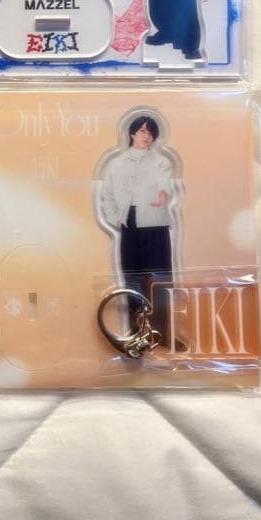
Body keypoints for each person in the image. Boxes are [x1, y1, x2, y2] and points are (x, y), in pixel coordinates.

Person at [98, 114, 180, 350]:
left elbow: (165, 184)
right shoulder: (117, 163)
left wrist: (162, 195)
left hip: (155, 223)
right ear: (132, 132)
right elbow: (107, 195)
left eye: (151, 132)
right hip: (129, 224)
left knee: (160, 277)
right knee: (132, 277)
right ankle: (137, 334)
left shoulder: (160, 161)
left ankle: (164, 333)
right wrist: (115, 218)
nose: (148, 136)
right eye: (143, 130)